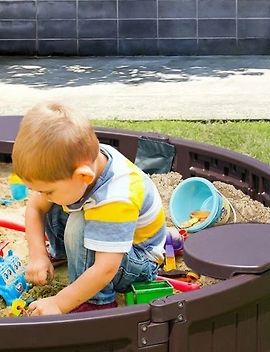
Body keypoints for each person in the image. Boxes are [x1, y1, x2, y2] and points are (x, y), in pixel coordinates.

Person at [11, 102, 167, 315]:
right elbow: (35, 208)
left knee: (79, 223)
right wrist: (38, 255)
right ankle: (67, 256)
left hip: (137, 261)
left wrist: (59, 303)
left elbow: (106, 268)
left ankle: (96, 301)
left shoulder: (116, 197)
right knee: (54, 204)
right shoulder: (78, 163)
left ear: (83, 176)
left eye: (47, 190)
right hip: (109, 245)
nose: (43, 196)